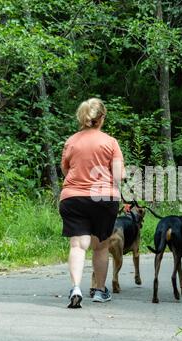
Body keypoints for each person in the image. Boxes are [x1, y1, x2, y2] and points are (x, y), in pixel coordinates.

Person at [59, 98, 125, 308]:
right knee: (101, 246)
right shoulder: (110, 142)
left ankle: (76, 288)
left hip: (73, 197)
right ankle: (99, 291)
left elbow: (65, 170)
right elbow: (118, 175)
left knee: (78, 245)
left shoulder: (71, 141)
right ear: (102, 118)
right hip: (103, 198)